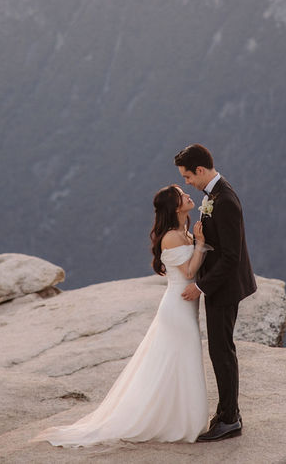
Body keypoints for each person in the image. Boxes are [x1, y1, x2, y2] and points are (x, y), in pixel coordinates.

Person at [32, 185, 210, 447]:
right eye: (181, 195)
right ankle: (177, 420)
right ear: (174, 207)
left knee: (180, 361)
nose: (187, 196)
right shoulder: (172, 237)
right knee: (182, 358)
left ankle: (178, 417)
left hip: (185, 305)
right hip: (177, 307)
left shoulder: (184, 232)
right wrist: (202, 244)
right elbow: (187, 273)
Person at [175, 143, 256, 442]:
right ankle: (226, 412)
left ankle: (230, 419)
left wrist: (200, 286)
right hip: (220, 286)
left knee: (222, 352)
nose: (187, 183)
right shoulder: (215, 195)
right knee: (219, 350)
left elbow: (232, 257)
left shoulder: (225, 201)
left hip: (224, 288)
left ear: (199, 170)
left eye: (187, 177)